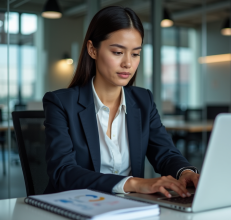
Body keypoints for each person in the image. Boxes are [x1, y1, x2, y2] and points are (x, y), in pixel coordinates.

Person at [43, 6, 199, 199]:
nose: (128, 63)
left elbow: (165, 153)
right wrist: (132, 183)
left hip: (127, 209)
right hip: (74, 206)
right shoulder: (61, 103)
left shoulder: (144, 101)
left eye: (135, 54)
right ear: (93, 50)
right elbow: (63, 172)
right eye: (118, 52)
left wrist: (186, 173)